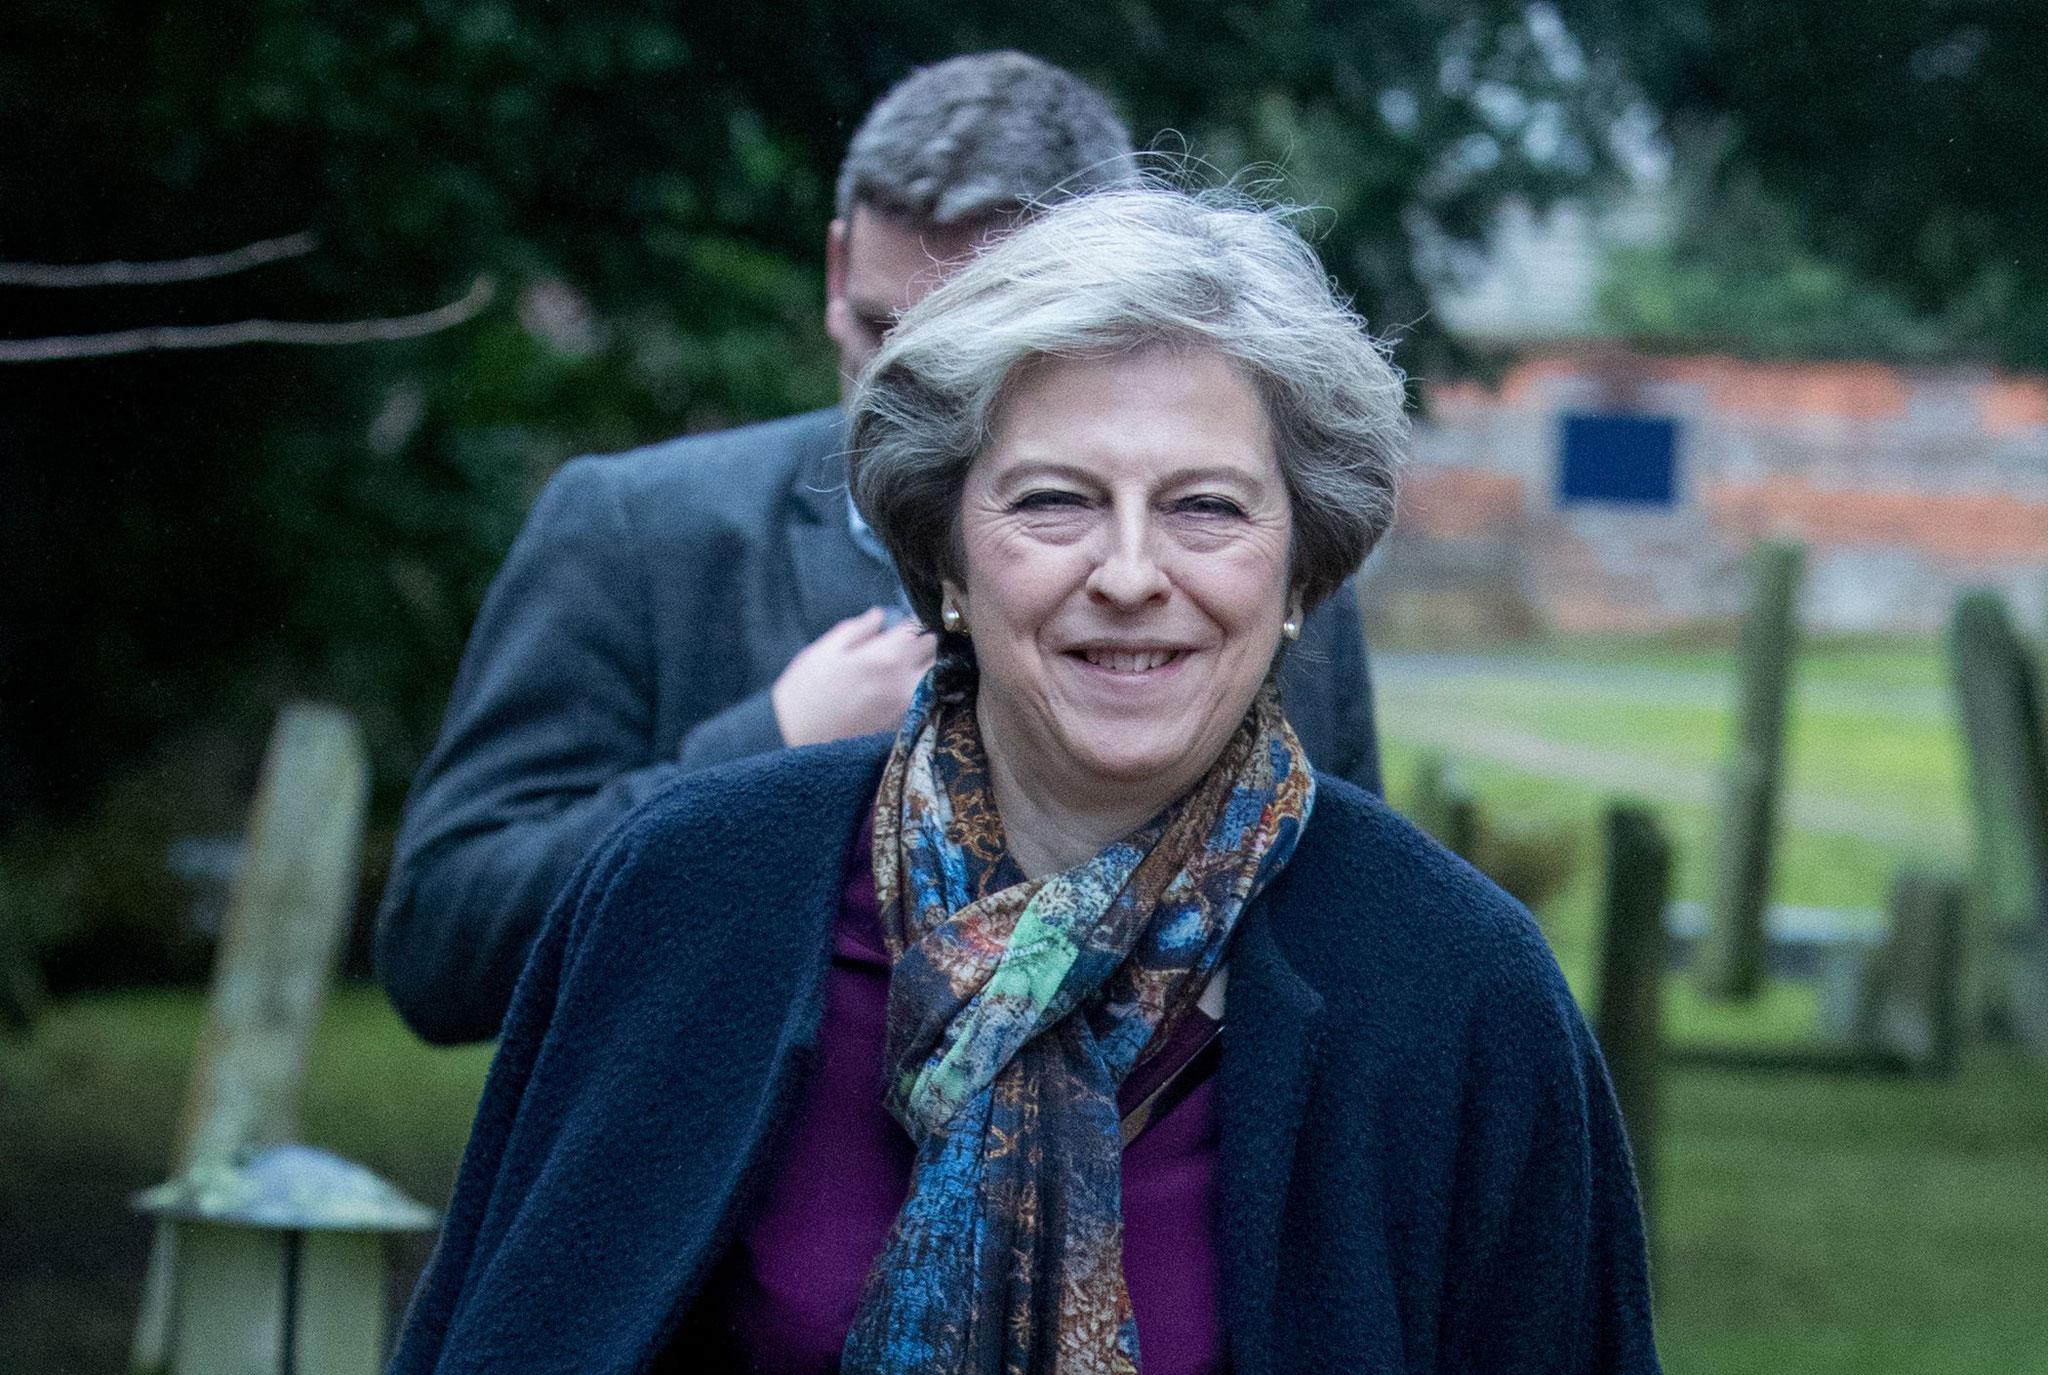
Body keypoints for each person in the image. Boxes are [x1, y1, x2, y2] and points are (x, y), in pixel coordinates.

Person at [322, 186, 1703, 1375]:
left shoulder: (1448, 985)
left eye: (1207, 509)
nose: (1128, 571)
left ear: (1302, 577)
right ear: (943, 561)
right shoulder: (688, 898)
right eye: (1053, 502)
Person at [374, 52, 1384, 1048]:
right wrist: (763, 741)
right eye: (878, 330)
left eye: (972, 345)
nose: (906, 388)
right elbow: (442, 953)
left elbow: (1342, 959)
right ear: (833, 267)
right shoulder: (636, 532)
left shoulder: (1241, 571)